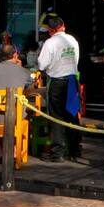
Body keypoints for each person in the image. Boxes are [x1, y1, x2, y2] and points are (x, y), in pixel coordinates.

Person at [37, 16, 80, 162]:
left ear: (50, 30)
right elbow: (76, 60)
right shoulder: (72, 40)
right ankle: (75, 149)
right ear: (63, 26)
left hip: (57, 82)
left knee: (56, 117)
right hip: (73, 81)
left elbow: (42, 65)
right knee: (73, 114)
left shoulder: (49, 43)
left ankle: (58, 153)